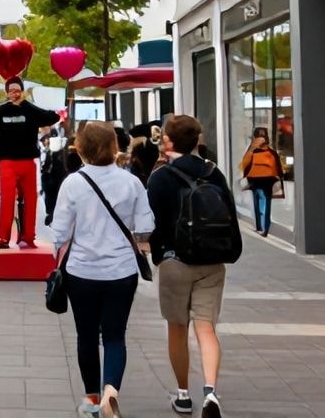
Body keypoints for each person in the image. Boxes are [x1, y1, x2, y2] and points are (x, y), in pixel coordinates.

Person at [51, 122, 155, 418]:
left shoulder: (72, 183)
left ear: (81, 149)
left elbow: (60, 231)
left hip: (82, 270)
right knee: (115, 335)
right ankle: (111, 391)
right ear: (114, 147)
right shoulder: (131, 182)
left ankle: (91, 398)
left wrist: (57, 255)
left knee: (86, 336)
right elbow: (146, 226)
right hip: (121, 271)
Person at [148, 114, 236, 418]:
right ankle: (210, 392)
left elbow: (151, 221)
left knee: (177, 327)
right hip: (212, 261)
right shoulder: (213, 172)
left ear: (168, 140)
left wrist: (157, 254)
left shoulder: (160, 176)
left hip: (175, 261)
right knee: (206, 328)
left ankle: (183, 394)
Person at [0, 77, 57, 249]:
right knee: (7, 199)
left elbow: (52, 117)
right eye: (11, 90)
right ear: (6, 92)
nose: (14, 94)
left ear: (22, 91)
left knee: (31, 200)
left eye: (17, 90)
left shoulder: (30, 109)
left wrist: (31, 104)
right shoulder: (0, 111)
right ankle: (3, 238)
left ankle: (29, 237)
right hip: (7, 162)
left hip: (27, 162)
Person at [239, 128, 283, 237]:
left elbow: (243, 166)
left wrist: (252, 148)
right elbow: (278, 169)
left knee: (258, 201)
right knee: (265, 203)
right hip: (267, 181)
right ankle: (264, 227)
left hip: (256, 180)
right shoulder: (271, 152)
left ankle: (260, 226)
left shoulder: (252, 151)